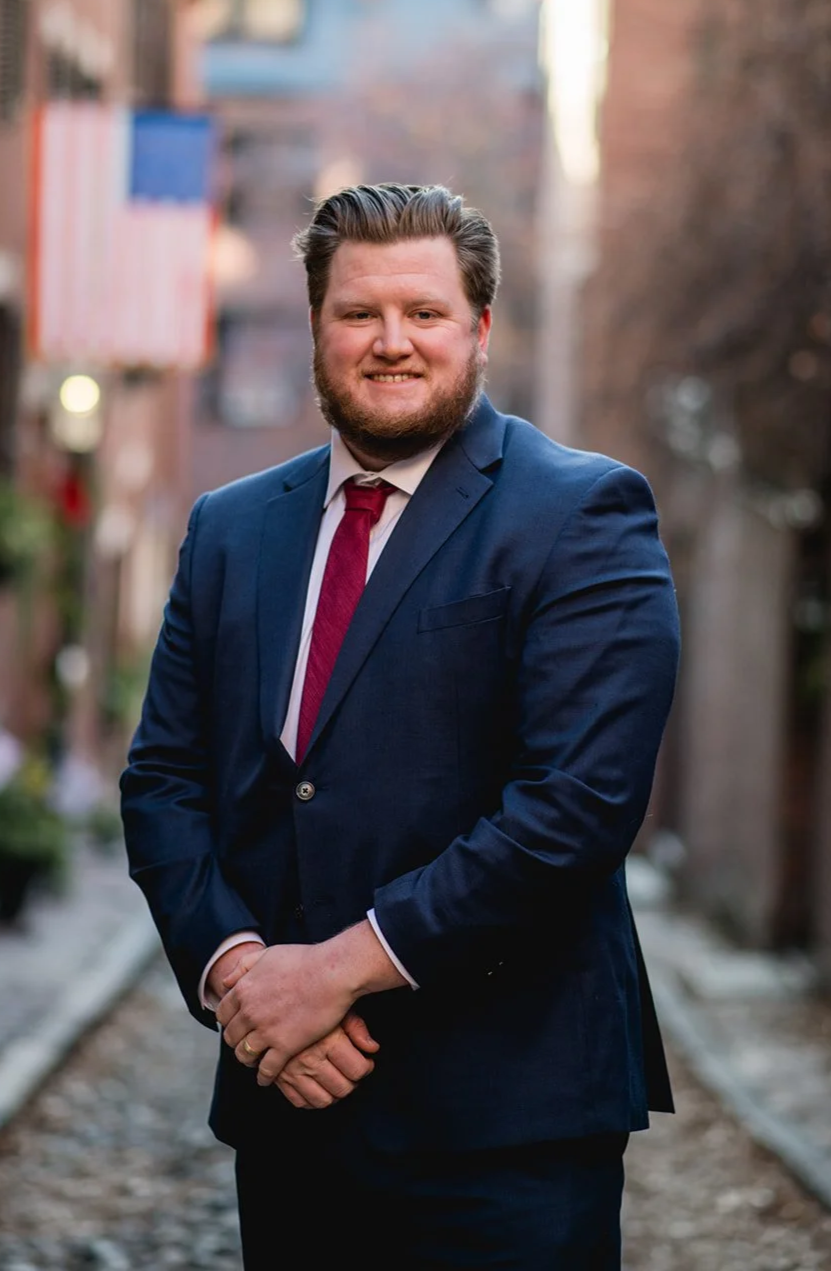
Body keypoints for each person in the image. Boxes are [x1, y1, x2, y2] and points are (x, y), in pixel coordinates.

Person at [120, 182, 680, 1270]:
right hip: (293, 1104)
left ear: (477, 328)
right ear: (318, 327)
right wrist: (241, 974)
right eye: (358, 313)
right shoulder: (231, 528)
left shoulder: (583, 513)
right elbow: (163, 782)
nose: (391, 342)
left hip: (510, 1124)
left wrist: (329, 972)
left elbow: (575, 810)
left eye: (423, 313)